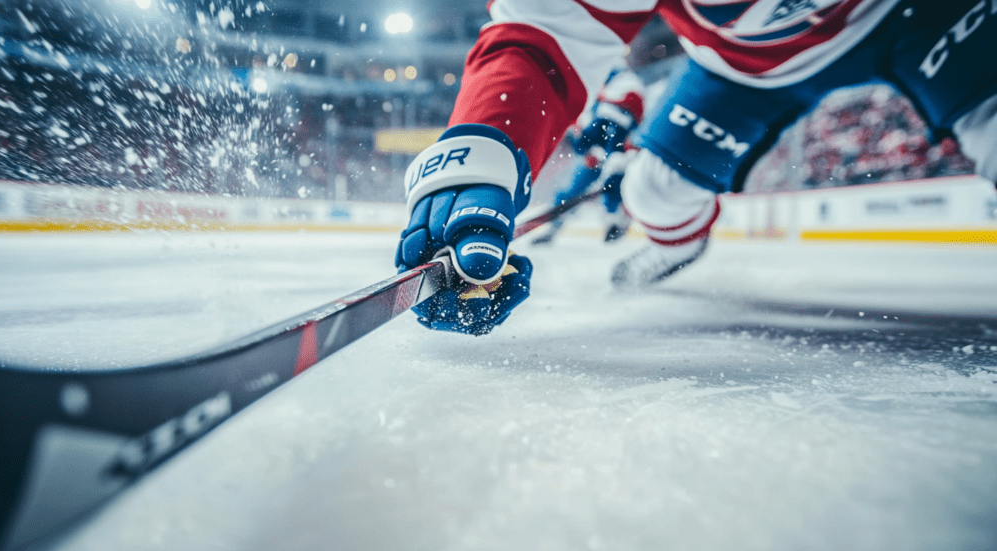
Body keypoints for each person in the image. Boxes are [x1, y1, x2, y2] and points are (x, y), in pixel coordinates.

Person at [394, 0, 997, 335]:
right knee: (652, 192)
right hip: (743, 70)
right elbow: (547, 31)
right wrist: (485, 150)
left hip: (924, 14)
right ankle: (673, 238)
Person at [532, 68, 645, 245]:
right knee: (573, 190)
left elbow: (616, 135)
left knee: (614, 189)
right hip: (598, 156)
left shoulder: (624, 90)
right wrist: (590, 151)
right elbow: (587, 133)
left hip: (619, 155)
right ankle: (555, 225)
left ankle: (615, 222)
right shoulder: (599, 92)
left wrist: (611, 157)